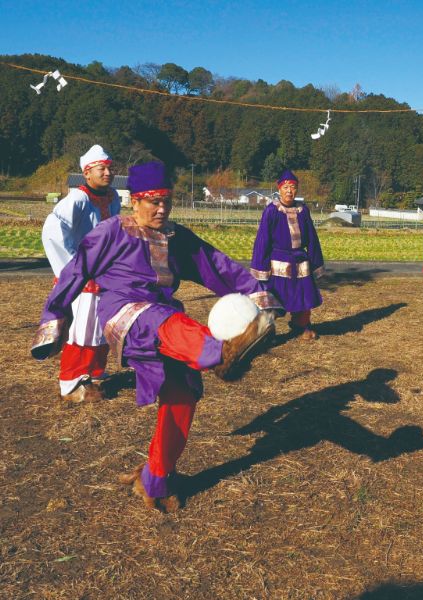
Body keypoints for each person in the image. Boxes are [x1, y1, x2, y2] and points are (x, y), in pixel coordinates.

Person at [32, 161, 281, 512]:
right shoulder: (111, 232)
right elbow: (75, 271)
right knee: (164, 320)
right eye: (153, 201)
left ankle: (154, 479)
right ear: (134, 201)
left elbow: (216, 265)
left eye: (167, 200)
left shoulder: (177, 238)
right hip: (126, 315)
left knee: (183, 394)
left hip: (168, 322)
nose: (162, 208)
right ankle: (221, 355)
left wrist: (260, 299)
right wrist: (54, 318)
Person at [41, 144, 121, 402]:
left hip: (106, 273)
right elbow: (53, 231)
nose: (107, 173)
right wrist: (72, 268)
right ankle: (71, 381)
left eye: (110, 168)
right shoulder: (78, 198)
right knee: (82, 329)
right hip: (83, 277)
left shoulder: (114, 197)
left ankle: (95, 373)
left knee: (102, 327)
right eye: (102, 169)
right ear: (87, 173)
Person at [250, 169, 324, 340]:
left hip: (301, 262)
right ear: (280, 189)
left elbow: (312, 238)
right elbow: (263, 239)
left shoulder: (303, 211)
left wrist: (315, 263)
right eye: (286, 187)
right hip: (279, 265)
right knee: (276, 300)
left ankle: (302, 325)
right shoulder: (272, 211)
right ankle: (264, 331)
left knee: (303, 298)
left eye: (293, 187)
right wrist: (261, 267)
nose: (289, 191)